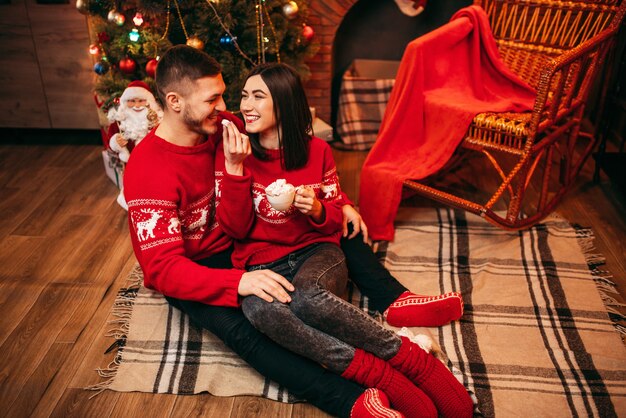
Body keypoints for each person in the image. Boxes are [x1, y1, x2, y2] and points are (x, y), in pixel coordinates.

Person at [123, 45, 405, 418]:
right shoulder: (147, 170)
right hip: (197, 270)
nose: (226, 107)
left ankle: (395, 300)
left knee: (332, 224)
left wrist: (341, 200)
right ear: (175, 101)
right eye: (213, 98)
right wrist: (237, 283)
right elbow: (161, 269)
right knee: (248, 335)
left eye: (224, 94)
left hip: (244, 241)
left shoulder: (224, 129)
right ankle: (350, 401)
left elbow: (292, 160)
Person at [216, 62, 473, 418]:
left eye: (258, 96)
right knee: (258, 311)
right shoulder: (235, 152)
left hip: (316, 253)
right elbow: (234, 229)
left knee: (309, 299)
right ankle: (378, 373)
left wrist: (319, 209)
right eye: (244, 95)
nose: (246, 105)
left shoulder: (317, 151)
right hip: (262, 265)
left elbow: (335, 219)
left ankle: (410, 359)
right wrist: (233, 168)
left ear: (285, 103)